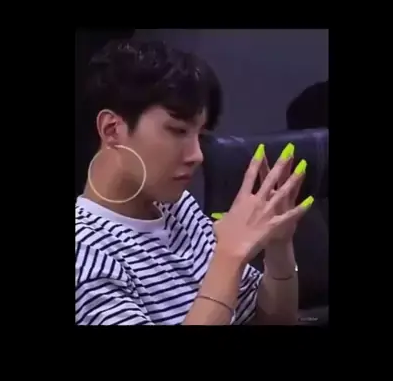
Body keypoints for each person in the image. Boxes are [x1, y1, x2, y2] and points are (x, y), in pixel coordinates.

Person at [75, 38, 315, 325]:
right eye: (178, 131)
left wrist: (279, 248)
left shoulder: (179, 208)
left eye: (199, 135)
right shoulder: (85, 251)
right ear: (112, 129)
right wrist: (228, 257)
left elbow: (274, 320)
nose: (197, 155)